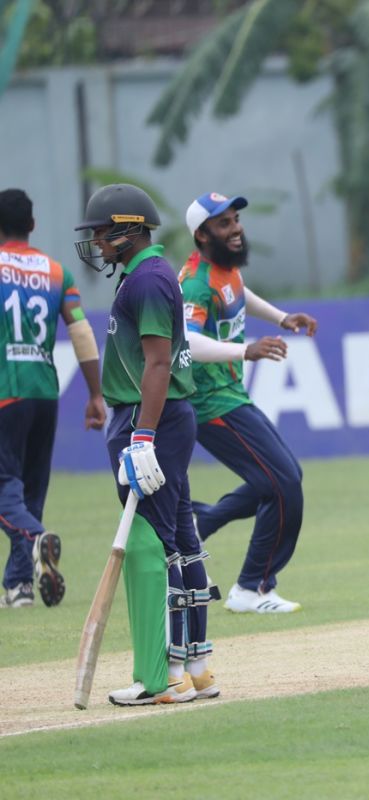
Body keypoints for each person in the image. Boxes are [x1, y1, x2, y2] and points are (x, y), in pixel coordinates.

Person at [73, 183, 216, 705]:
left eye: (101, 232)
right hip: (157, 417)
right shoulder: (147, 275)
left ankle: (162, 677)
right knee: (179, 536)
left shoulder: (149, 280)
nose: (96, 242)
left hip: (148, 417)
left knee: (154, 542)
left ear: (127, 228)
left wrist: (142, 436)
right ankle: (196, 667)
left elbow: (158, 364)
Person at [179, 192, 317, 613]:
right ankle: (251, 589)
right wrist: (245, 350)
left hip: (230, 394)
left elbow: (239, 293)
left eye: (236, 219)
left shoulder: (225, 271)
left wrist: (280, 318)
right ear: (202, 234)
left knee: (281, 477)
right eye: (224, 224)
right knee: (283, 484)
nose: (236, 228)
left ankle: (203, 522)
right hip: (209, 401)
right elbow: (185, 339)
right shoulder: (195, 281)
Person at [0, 189, 105, 609]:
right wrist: (95, 393)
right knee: (30, 490)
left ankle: (35, 538)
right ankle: (20, 584)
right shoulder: (56, 271)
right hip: (46, 390)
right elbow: (80, 332)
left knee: (6, 488)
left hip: (6, 391)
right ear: (32, 225)